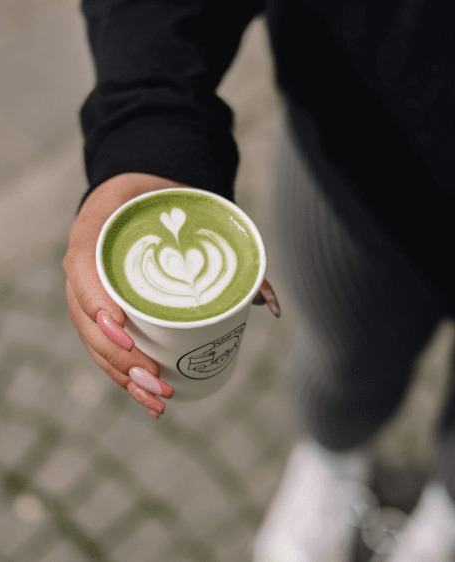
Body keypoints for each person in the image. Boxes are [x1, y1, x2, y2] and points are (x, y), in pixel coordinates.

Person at [63, 0, 455, 559]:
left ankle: (448, 511)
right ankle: (332, 458)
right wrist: (149, 130)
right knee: (343, 365)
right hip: (364, 149)